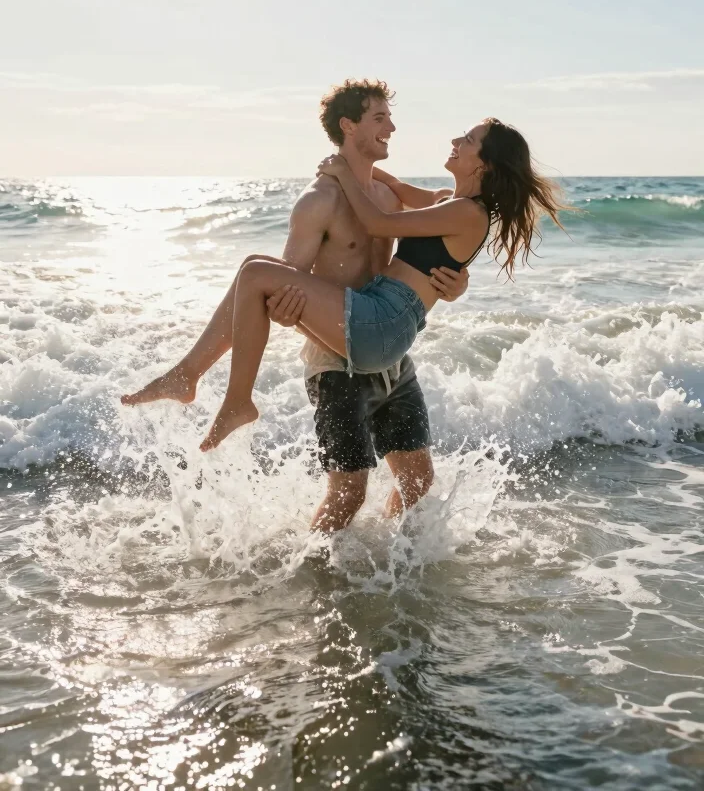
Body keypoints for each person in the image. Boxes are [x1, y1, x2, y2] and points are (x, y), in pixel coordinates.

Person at [122, 79, 566, 529]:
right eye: (380, 118)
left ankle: (393, 571)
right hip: (346, 352)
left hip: (385, 336)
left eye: (466, 140)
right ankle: (335, 573)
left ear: (486, 165)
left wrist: (456, 283)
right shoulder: (328, 199)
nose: (393, 126)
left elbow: (382, 223)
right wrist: (284, 306)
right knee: (350, 491)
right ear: (348, 126)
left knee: (415, 480)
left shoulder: (434, 206)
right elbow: (294, 279)